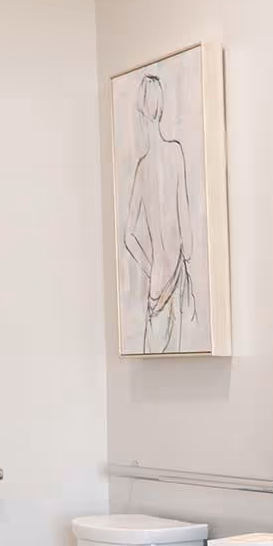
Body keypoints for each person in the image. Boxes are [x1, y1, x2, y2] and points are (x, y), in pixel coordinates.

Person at [122, 73, 195, 353]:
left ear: (141, 114)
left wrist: (150, 264)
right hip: (177, 273)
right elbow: (186, 231)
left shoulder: (142, 169)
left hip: (157, 281)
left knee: (157, 349)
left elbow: (129, 236)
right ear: (160, 110)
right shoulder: (176, 154)